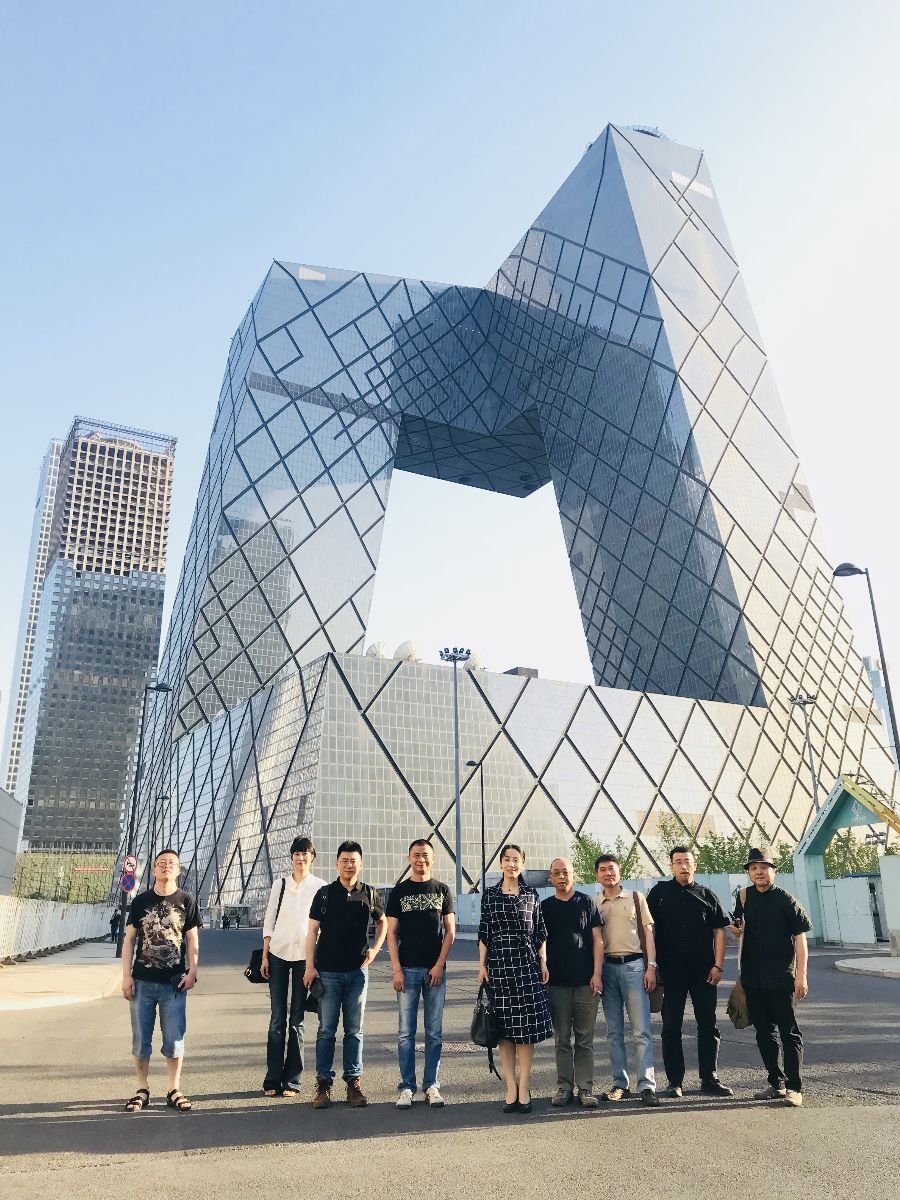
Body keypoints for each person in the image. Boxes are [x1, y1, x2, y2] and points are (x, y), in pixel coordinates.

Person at [304, 841, 387, 1109]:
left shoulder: (370, 894)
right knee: (326, 1030)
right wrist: (309, 966)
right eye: (344, 861)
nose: (349, 865)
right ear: (336, 864)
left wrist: (375, 949)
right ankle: (323, 1085)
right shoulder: (324, 894)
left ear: (361, 864)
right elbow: (312, 932)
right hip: (327, 972)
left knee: (354, 1031)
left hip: (357, 972)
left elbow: (383, 922)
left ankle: (353, 1083)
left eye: (353, 861)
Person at [646, 846, 733, 1098]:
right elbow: (649, 929)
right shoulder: (659, 894)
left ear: (695, 865)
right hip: (670, 971)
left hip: (703, 972)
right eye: (678, 862)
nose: (683, 866)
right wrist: (651, 965)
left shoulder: (707, 895)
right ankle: (675, 1081)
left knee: (708, 1025)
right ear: (671, 866)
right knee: (671, 1026)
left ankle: (709, 1078)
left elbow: (719, 931)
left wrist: (718, 965)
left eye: (687, 861)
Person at [730, 846, 812, 1108]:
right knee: (764, 1033)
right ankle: (776, 1083)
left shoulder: (786, 900)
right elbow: (739, 927)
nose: (758, 872)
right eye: (753, 868)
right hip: (753, 978)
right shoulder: (744, 897)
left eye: (764, 867)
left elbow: (801, 940)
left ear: (773, 870)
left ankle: (795, 1088)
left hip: (782, 978)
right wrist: (736, 931)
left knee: (789, 1033)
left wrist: (801, 976)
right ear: (749, 872)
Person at [121, 848, 201, 1113]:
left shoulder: (187, 901)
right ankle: (142, 1089)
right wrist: (126, 977)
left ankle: (174, 1089)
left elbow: (192, 940)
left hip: (174, 983)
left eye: (172, 863)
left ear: (178, 870)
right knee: (141, 1039)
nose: (167, 866)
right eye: (162, 863)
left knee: (175, 1039)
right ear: (154, 869)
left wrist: (192, 971)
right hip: (142, 982)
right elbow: (129, 940)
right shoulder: (141, 901)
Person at [478, 844, 552, 1114]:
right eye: (507, 859)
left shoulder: (532, 895)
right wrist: (482, 965)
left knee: (525, 1030)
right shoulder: (490, 895)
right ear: (500, 864)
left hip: (526, 966)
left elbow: (540, 932)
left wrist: (543, 962)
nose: (511, 864)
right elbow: (484, 932)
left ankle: (524, 1087)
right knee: (504, 1031)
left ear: (523, 864)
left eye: (516, 860)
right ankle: (510, 1086)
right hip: (498, 966)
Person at [386, 838, 456, 1108]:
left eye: (425, 855)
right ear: (409, 858)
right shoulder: (399, 892)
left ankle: (431, 1085)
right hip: (407, 970)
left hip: (435, 971)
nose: (421, 859)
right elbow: (391, 933)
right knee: (406, 1033)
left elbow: (450, 932)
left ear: (433, 858)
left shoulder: (442, 890)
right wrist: (396, 969)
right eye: (416, 855)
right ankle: (406, 1087)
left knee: (434, 1033)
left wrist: (438, 965)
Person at [259, 835, 327, 1097]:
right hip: (278, 953)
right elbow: (269, 922)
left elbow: (323, 925)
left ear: (312, 857)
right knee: (277, 1018)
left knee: (296, 1019)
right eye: (297, 854)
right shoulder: (281, 885)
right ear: (291, 858)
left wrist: (316, 962)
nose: (300, 858)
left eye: (305, 853)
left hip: (304, 958)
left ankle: (292, 1080)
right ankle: (272, 1078)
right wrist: (265, 956)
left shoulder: (320, 886)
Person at [595, 853, 660, 1106]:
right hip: (607, 969)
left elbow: (648, 933)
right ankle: (620, 1083)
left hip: (634, 967)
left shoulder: (635, 898)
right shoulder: (595, 903)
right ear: (597, 875)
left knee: (641, 1031)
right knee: (613, 1032)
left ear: (619, 872)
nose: (608, 873)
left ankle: (647, 1085)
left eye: (612, 868)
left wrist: (651, 967)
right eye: (603, 869)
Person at [541, 857, 604, 1108]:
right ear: (550, 878)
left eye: (565, 872)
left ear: (574, 875)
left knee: (585, 1039)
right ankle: (564, 1087)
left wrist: (597, 974)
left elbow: (598, 941)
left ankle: (585, 1089)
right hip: (556, 983)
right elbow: (540, 942)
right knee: (562, 1039)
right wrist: (543, 967)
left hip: (586, 982)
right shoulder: (545, 907)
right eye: (556, 873)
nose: (561, 876)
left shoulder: (586, 902)